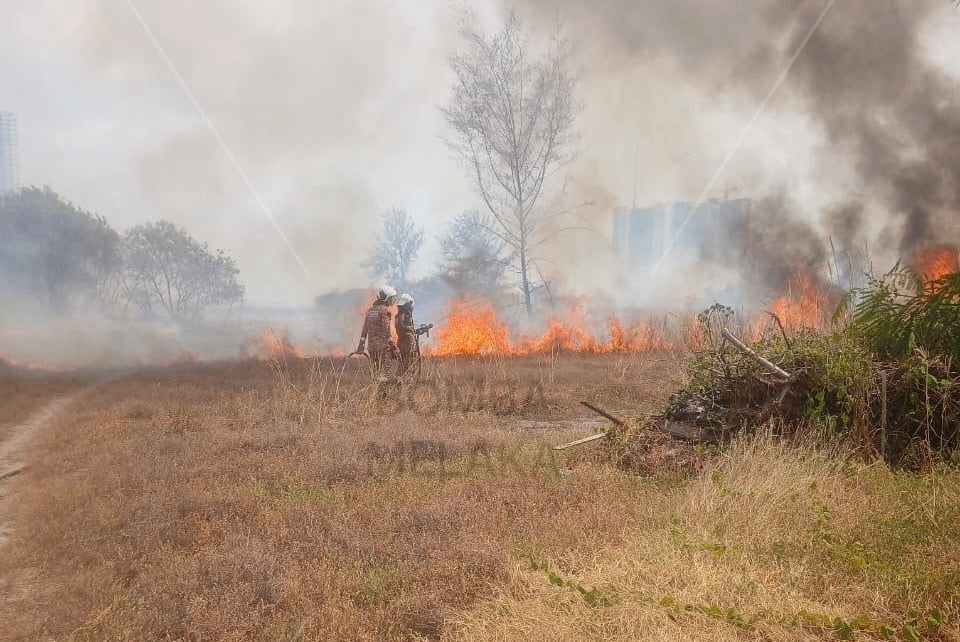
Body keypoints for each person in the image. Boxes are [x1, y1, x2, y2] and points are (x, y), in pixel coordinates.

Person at [357, 285, 398, 376]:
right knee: (388, 372)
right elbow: (386, 331)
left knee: (376, 372)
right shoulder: (385, 311)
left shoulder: (370, 311)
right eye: (391, 298)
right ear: (386, 298)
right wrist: (393, 346)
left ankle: (375, 387)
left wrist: (361, 343)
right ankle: (388, 389)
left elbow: (365, 328)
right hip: (383, 348)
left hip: (371, 348)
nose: (392, 301)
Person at [395, 293, 417, 376]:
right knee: (409, 365)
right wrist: (412, 331)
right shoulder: (405, 315)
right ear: (407, 304)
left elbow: (401, 327)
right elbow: (404, 327)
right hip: (408, 343)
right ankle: (406, 382)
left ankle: (399, 382)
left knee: (402, 365)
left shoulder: (398, 315)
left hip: (401, 342)